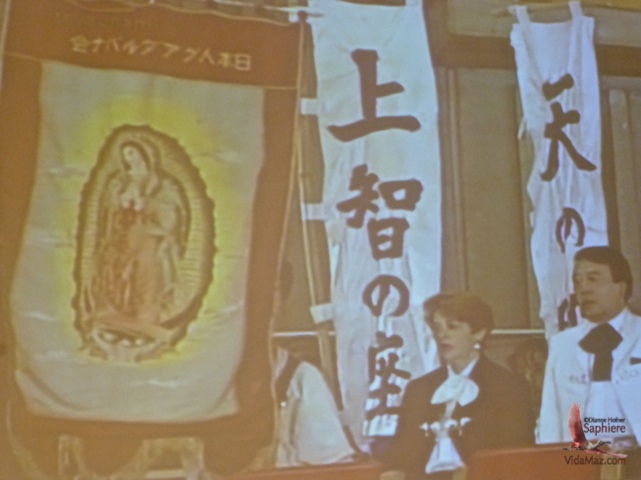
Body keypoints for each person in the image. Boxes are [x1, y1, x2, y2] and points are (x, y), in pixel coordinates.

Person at [383, 291, 535, 480]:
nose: (442, 335)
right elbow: (399, 454)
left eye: (452, 327)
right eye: (437, 328)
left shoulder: (508, 387)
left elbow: (514, 456)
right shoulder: (419, 389)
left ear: (479, 333)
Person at [538, 246, 641, 451]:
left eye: (593, 279)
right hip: (579, 458)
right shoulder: (562, 344)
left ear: (621, 287)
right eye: (578, 281)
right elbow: (550, 414)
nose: (583, 289)